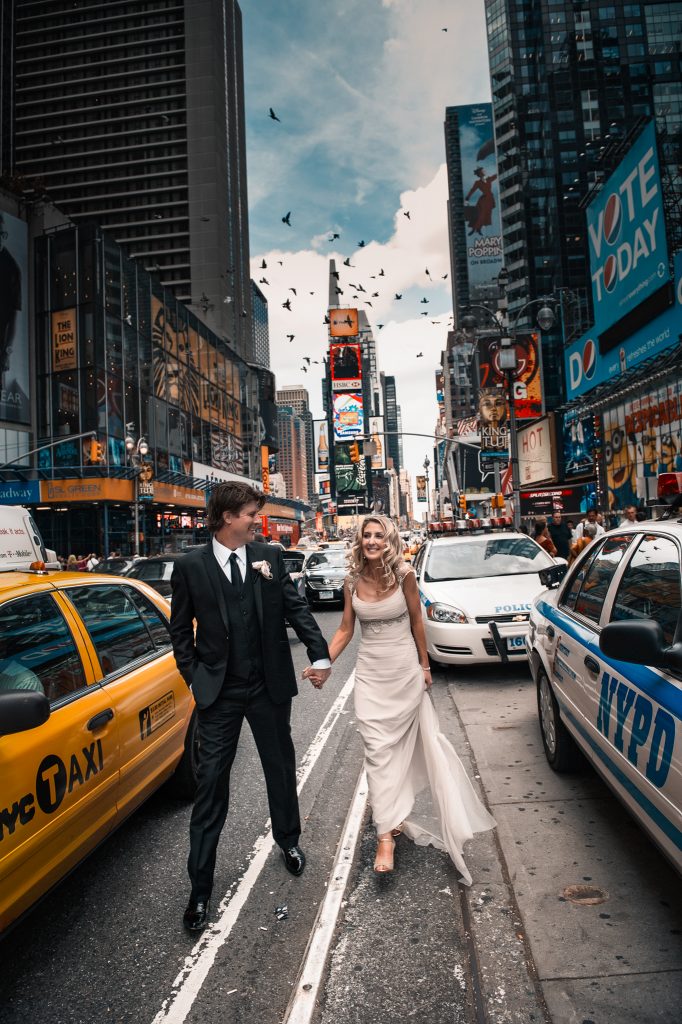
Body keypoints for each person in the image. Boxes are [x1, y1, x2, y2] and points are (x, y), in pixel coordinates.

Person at [169, 481, 331, 933]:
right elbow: (180, 630)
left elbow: (296, 610)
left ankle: (289, 841)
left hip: (267, 686)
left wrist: (320, 655)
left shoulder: (270, 556)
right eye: (249, 514)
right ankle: (199, 890)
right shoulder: (190, 567)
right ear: (226, 517)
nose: (255, 520)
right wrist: (195, 678)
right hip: (218, 694)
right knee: (210, 786)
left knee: (279, 766)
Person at [305, 515, 494, 883]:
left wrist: (425, 665)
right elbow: (345, 628)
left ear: (388, 540)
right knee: (377, 752)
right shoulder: (350, 581)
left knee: (409, 749)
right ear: (359, 541)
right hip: (371, 674)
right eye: (366, 535)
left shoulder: (405, 575)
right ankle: (384, 838)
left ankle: (393, 816)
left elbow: (417, 621)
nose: (372, 541)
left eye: (378, 535)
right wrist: (323, 664)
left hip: (404, 671)